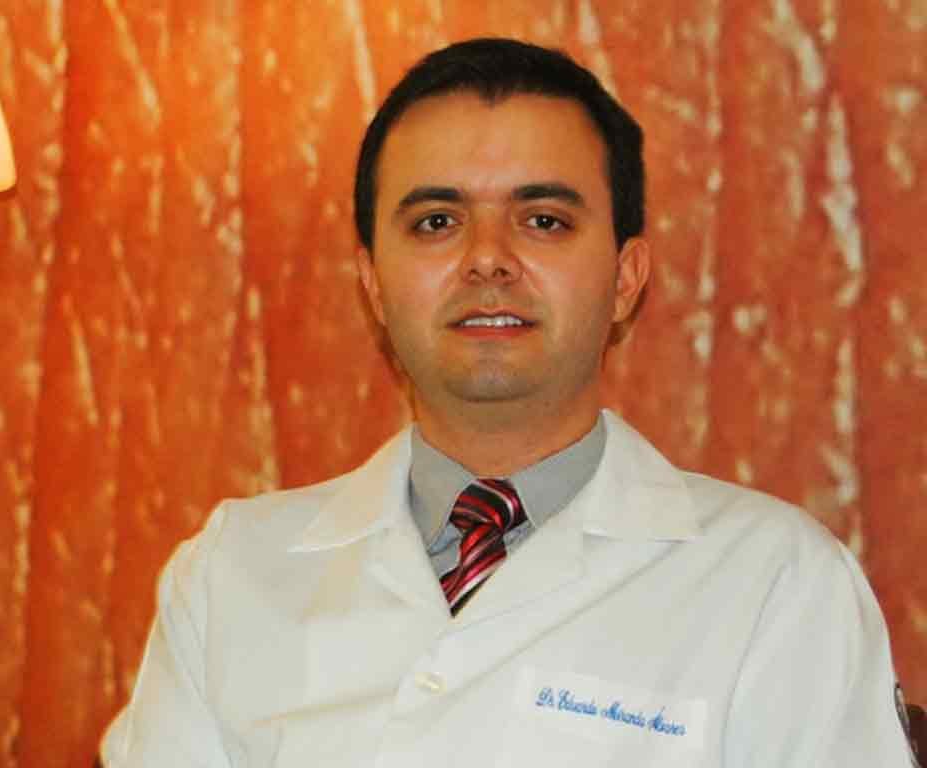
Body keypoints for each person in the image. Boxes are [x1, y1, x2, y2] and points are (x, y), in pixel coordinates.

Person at [101, 38, 919, 767]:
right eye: (436, 221)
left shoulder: (777, 583)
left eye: (543, 220)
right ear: (373, 285)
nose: (487, 259)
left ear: (626, 277)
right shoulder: (230, 575)